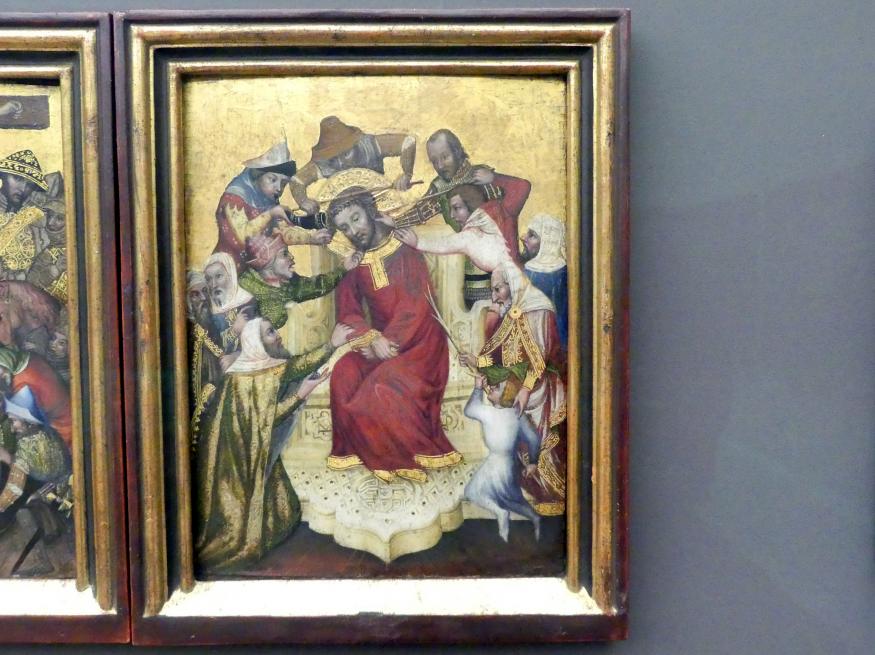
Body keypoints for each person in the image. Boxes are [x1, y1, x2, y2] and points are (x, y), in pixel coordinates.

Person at [194, 316, 351, 573]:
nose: (277, 336)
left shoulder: (268, 366)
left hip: (255, 450)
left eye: (274, 330)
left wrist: (331, 345)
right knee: (239, 533)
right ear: (256, 342)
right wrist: (301, 393)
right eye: (270, 333)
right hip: (237, 462)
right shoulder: (240, 379)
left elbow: (299, 365)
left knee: (284, 511)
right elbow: (268, 420)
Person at [326, 187, 461, 483]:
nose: (353, 231)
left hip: (420, 342)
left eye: (356, 219)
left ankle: (400, 458)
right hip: (379, 342)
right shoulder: (353, 263)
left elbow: (416, 304)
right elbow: (348, 312)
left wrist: (388, 342)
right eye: (344, 227)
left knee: (381, 387)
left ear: (371, 212)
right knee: (344, 373)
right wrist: (371, 338)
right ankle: (365, 454)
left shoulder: (403, 248)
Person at [459, 263, 566, 516]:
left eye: (498, 289)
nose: (494, 296)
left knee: (537, 439)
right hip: (515, 386)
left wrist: (525, 389)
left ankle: (552, 492)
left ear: (512, 285)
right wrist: (476, 361)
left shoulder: (537, 310)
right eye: (492, 290)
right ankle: (528, 488)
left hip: (538, 388)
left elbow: (539, 360)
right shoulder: (512, 311)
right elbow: (500, 356)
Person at [423, 130, 531, 306]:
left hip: (502, 270)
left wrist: (494, 178)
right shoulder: (438, 188)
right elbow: (419, 212)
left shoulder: (482, 177)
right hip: (469, 274)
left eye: (445, 157)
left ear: (457, 152)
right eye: (434, 161)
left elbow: (520, 190)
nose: (440, 165)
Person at [212, 139, 330, 269]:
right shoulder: (234, 198)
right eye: (272, 179)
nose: (279, 188)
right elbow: (242, 237)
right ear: (258, 175)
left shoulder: (268, 199)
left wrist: (311, 238)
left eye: (283, 183)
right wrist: (271, 214)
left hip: (258, 268)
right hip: (228, 269)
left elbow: (281, 232)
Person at [463, 375, 541, 542]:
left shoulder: (489, 412)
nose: (491, 387)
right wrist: (533, 462)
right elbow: (534, 438)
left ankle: (503, 515)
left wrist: (478, 388)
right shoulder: (516, 414)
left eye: (497, 387)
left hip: (498, 464)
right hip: (507, 463)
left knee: (479, 493)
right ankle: (533, 519)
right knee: (508, 499)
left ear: (506, 394)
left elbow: (469, 410)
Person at [290, 116, 416, 214]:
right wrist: (303, 201)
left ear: (355, 144)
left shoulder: (370, 145)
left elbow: (408, 141)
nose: (341, 161)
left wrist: (406, 174)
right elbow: (296, 180)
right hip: (346, 211)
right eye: (334, 156)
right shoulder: (327, 162)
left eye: (346, 153)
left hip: (380, 203)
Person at [238, 233, 358, 329]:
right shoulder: (243, 289)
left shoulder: (287, 285)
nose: (292, 257)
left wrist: (344, 268)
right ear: (267, 264)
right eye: (284, 254)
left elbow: (317, 285)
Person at [395, 184, 513, 274]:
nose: (451, 215)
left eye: (457, 208)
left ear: (471, 206)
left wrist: (417, 242)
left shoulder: (471, 235)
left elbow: (445, 244)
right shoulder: (488, 221)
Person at [0, 386, 70, 517]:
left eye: (14, 421)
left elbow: (14, 488)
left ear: (28, 421)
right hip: (63, 491)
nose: (12, 428)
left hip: (55, 499)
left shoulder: (27, 446)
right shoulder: (50, 434)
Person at [522, 213, 568, 348]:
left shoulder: (561, 272)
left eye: (532, 235)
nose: (524, 238)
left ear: (547, 242)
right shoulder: (563, 269)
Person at [203, 252, 257, 354]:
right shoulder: (207, 311)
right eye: (208, 279)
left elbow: (257, 343)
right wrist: (234, 330)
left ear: (231, 275)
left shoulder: (248, 303)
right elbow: (210, 346)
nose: (213, 285)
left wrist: (236, 356)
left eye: (219, 276)